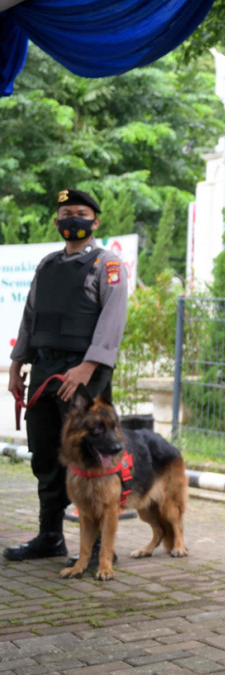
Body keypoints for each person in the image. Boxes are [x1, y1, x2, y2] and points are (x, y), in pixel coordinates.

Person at [5, 188, 127, 563]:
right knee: (46, 454)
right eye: (65, 213)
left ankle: (98, 549)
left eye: (80, 212)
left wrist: (87, 367)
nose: (71, 219)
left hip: (82, 374)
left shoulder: (107, 264)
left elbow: (112, 320)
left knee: (92, 456)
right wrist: (16, 364)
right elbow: (31, 317)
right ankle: (50, 536)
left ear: (95, 221)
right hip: (44, 370)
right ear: (57, 221)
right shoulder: (47, 266)